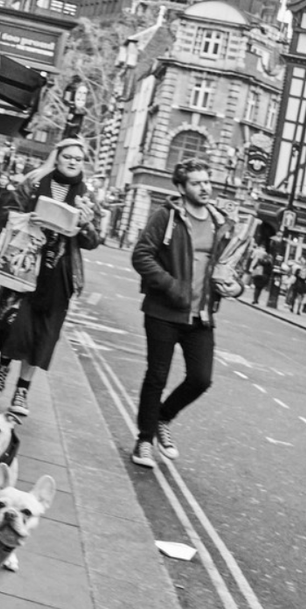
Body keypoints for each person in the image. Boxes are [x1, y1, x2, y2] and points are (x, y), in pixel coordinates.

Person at [0, 138, 101, 419]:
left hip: (58, 273)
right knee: (13, 322)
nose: (73, 162)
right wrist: (29, 219)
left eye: (78, 158)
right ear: (57, 157)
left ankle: (23, 389)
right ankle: (3, 366)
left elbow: (95, 240)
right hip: (25, 261)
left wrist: (84, 225)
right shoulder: (35, 182)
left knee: (43, 334)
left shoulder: (87, 195)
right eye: (68, 156)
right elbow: (8, 212)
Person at [129, 160, 234, 468]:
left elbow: (224, 265)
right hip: (164, 311)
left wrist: (234, 286)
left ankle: (163, 416)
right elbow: (141, 255)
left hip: (201, 315)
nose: (205, 187)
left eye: (207, 181)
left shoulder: (219, 221)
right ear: (181, 188)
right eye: (196, 183)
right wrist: (172, 286)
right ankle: (144, 441)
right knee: (156, 376)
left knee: (201, 378)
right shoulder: (167, 217)